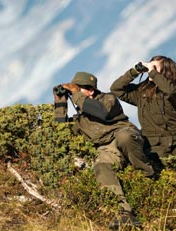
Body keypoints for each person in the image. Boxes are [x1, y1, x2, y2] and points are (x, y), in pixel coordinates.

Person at [53, 72, 154, 230]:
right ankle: (124, 214)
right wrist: (60, 102)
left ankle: (147, 173)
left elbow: (101, 112)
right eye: (74, 90)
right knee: (101, 167)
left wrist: (76, 94)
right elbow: (60, 130)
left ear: (91, 90)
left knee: (125, 138)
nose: (75, 94)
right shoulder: (80, 119)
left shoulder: (108, 99)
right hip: (107, 148)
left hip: (124, 134)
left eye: (79, 89)